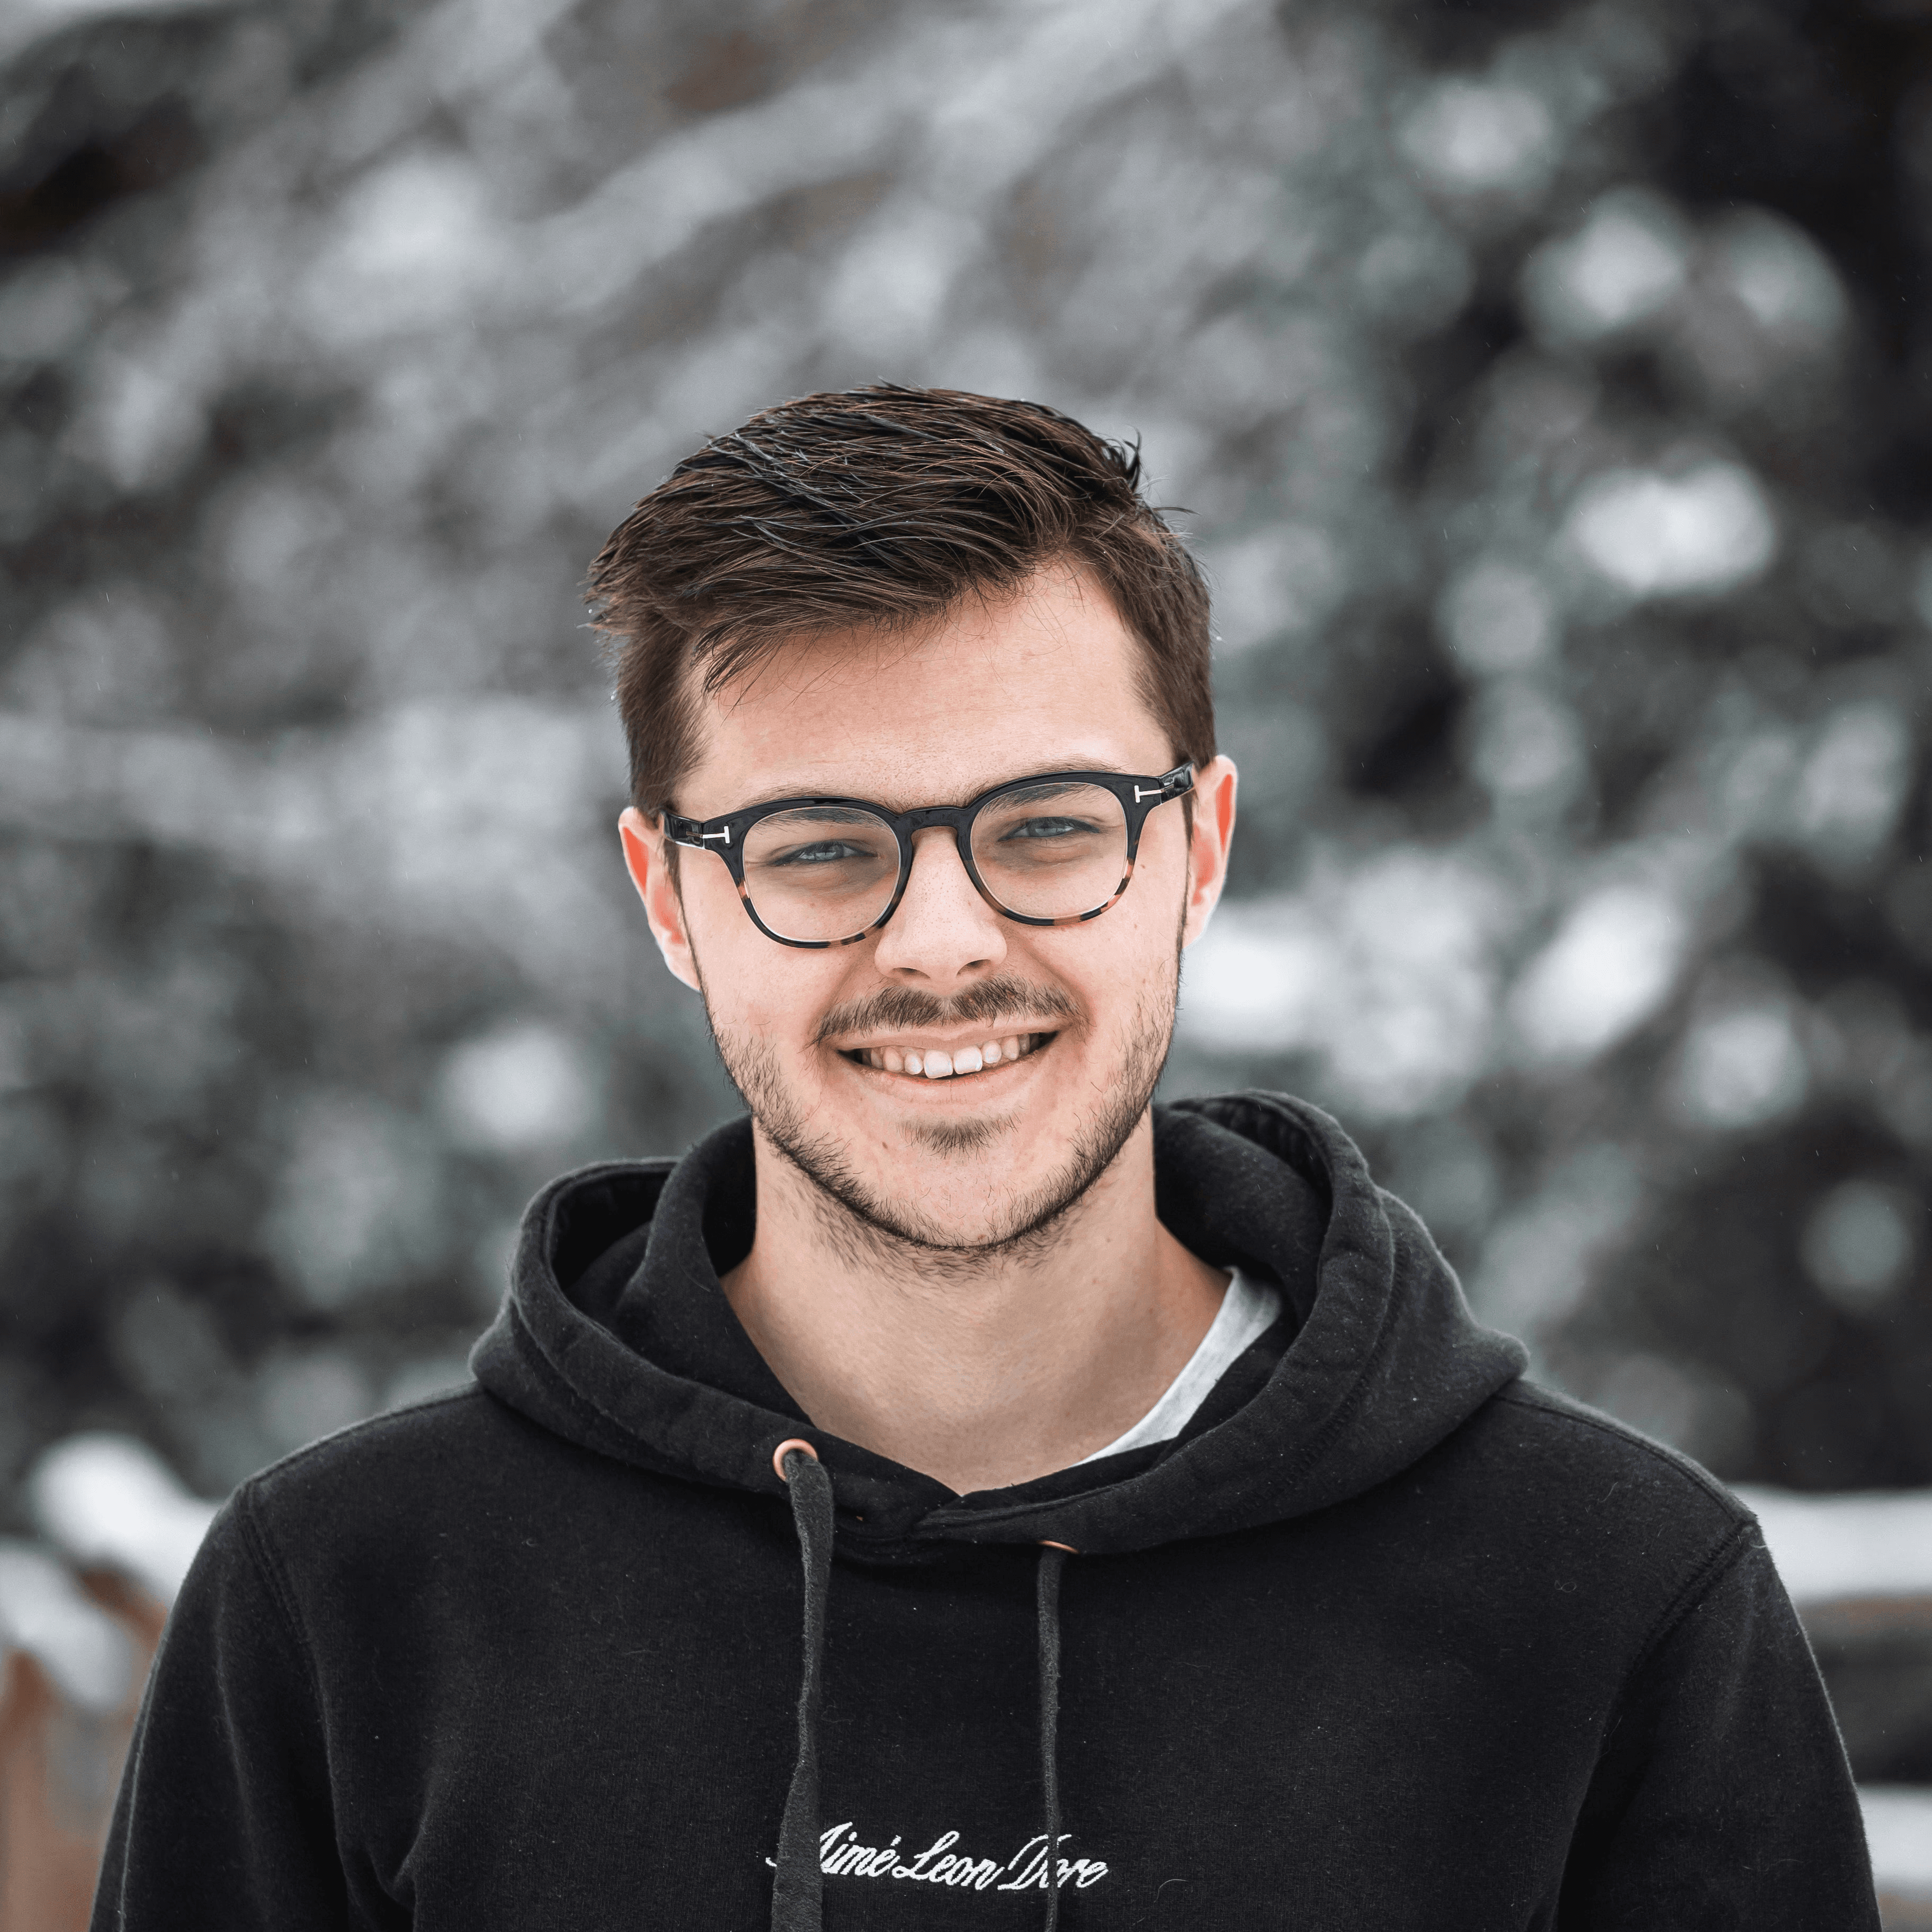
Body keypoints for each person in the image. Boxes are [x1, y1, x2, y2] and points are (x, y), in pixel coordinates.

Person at [94, 387, 1877, 1930]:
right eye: (816, 848)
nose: (941, 943)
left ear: (1200, 850)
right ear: (669, 897)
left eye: (1046, 827)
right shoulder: (345, 1604)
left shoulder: (1615, 1604)